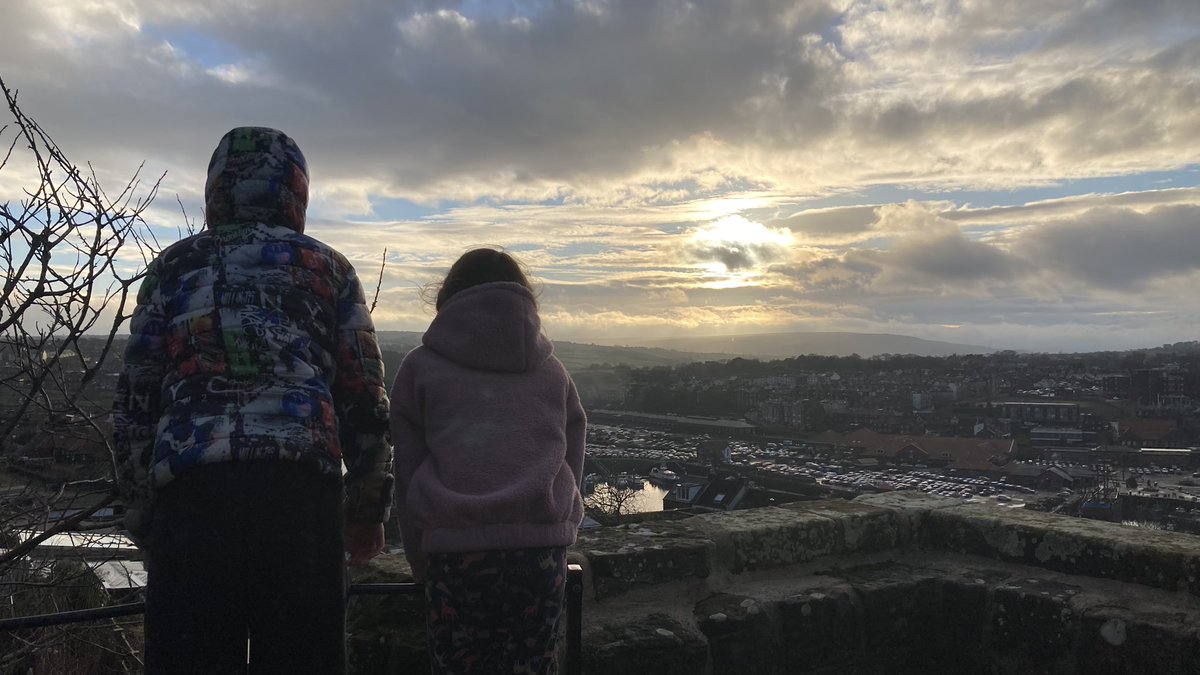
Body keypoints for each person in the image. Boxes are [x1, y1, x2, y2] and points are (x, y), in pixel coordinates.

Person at [112, 127, 393, 674]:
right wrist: (365, 510)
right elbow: (364, 398)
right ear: (298, 192)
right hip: (300, 496)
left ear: (216, 190)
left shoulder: (173, 268)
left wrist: (143, 514)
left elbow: (136, 401)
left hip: (192, 494)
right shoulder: (330, 270)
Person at [389, 248, 586, 674]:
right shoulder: (554, 372)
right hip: (540, 554)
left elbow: (405, 474)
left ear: (448, 299)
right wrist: (563, 527)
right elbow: (572, 451)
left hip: (455, 555)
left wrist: (418, 561)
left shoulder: (419, 368)